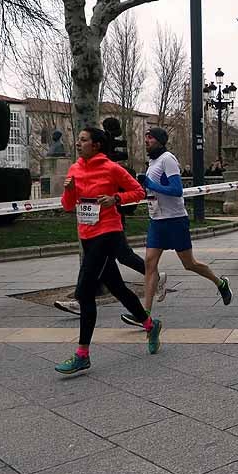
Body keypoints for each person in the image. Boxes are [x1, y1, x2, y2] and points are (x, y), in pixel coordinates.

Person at [123, 128, 232, 352]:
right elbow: (154, 192)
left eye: (150, 138)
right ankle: (145, 314)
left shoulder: (167, 159)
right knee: (149, 264)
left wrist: (150, 185)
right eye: (146, 137)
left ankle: (220, 282)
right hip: (157, 221)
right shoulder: (151, 163)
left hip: (175, 220)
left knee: (189, 264)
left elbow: (176, 190)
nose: (146, 141)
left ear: (160, 141)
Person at [54, 128, 152, 374]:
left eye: (83, 140)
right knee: (117, 287)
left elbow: (138, 192)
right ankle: (150, 324)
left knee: (84, 292)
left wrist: (115, 199)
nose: (78, 143)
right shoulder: (75, 169)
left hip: (107, 232)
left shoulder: (111, 168)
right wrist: (68, 190)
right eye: (78, 140)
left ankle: (82, 354)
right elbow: (67, 206)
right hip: (86, 235)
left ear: (96, 145)